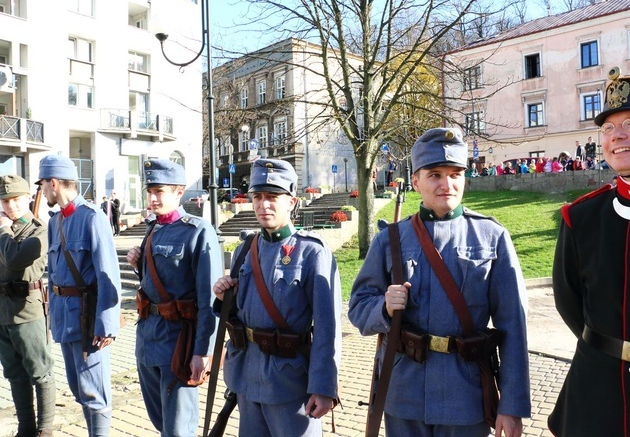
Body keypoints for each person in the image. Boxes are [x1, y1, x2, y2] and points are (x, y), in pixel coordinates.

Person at [349, 127, 531, 437]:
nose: (446, 183)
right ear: (416, 181)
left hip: (466, 395)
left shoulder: (491, 236)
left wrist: (511, 405)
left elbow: (513, 325)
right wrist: (383, 307)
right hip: (403, 393)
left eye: (455, 174)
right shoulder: (390, 239)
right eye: (434, 174)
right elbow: (358, 307)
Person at [549, 67, 630, 436]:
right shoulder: (581, 216)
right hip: (595, 397)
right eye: (607, 127)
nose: (616, 136)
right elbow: (569, 302)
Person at [212, 158, 342, 436]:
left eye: (272, 197)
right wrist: (224, 299)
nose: (263, 204)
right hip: (246, 378)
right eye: (257, 197)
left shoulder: (312, 252)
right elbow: (240, 314)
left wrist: (323, 386)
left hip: (290, 382)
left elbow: (328, 329)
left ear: (292, 202)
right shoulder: (245, 249)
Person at [125, 159, 221, 436]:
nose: (152, 198)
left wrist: (204, 351)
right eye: (150, 191)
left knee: (179, 429)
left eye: (159, 191)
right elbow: (155, 283)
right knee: (161, 424)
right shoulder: (152, 228)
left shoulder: (198, 231)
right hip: (148, 340)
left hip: (178, 342)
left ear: (179, 192)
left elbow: (208, 300)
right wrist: (137, 264)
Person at [36, 155, 121, 436]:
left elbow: (108, 273)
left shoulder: (92, 217)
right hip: (64, 319)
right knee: (78, 389)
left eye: (44, 186)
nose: (43, 191)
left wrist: (107, 324)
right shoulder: (56, 221)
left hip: (88, 321)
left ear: (54, 183)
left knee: (94, 392)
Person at [0, 175, 55, 437]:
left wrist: (2, 230)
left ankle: (45, 430)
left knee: (39, 372)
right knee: (14, 373)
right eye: (5, 201)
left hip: (27, 310)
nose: (11, 206)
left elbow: (14, 260)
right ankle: (26, 428)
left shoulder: (38, 230)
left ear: (28, 199)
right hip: (2, 312)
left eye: (15, 199)